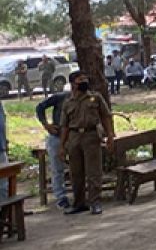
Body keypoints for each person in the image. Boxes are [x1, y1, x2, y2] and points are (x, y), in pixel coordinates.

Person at [60, 70, 115, 215]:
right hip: (74, 137)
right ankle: (79, 203)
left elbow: (106, 116)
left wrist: (110, 135)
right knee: (76, 173)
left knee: (93, 172)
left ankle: (95, 202)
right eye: (80, 80)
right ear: (73, 84)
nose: (84, 82)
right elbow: (64, 126)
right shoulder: (67, 103)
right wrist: (62, 146)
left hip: (91, 135)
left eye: (85, 79)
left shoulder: (95, 98)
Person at [36, 89, 71, 209]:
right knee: (57, 168)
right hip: (57, 136)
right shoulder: (60, 97)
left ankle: (80, 195)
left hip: (75, 137)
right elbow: (40, 107)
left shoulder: (87, 98)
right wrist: (46, 124)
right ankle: (61, 197)